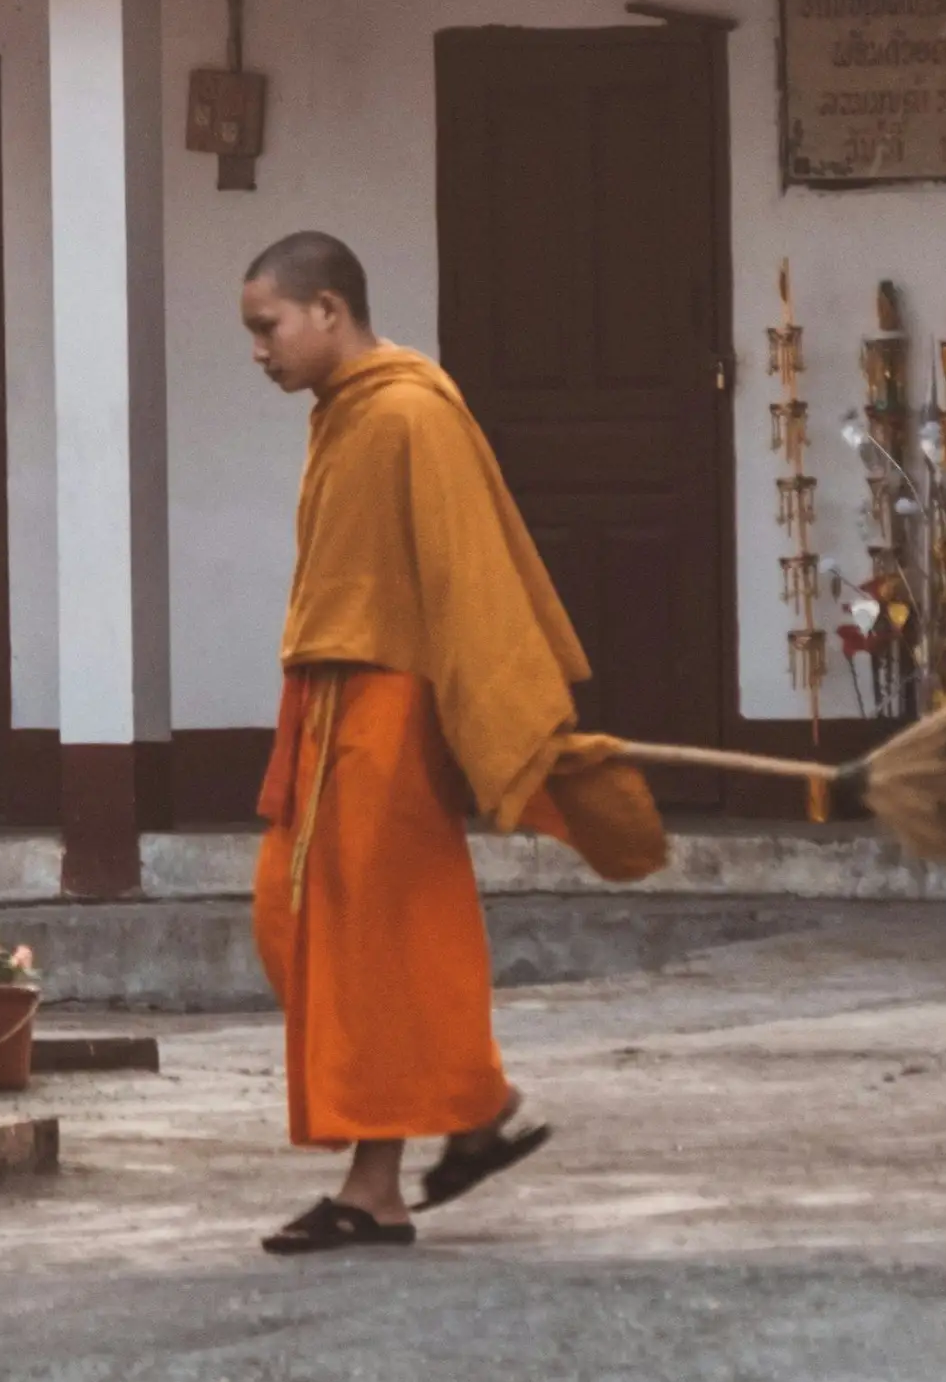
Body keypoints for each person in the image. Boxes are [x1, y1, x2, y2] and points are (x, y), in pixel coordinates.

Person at [241, 230, 663, 1256]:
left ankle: (380, 1182)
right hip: (332, 704)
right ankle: (465, 1109)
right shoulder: (348, 411)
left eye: (269, 326)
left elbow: (471, 578)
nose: (259, 349)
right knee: (317, 929)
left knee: (374, 936)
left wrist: (511, 717)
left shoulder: (409, 412)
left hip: (384, 713)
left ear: (330, 310)